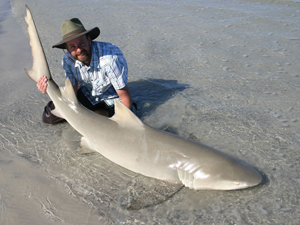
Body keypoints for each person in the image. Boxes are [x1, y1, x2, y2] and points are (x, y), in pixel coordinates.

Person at [37, 18, 134, 124]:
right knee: (49, 117)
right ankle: (96, 113)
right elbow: (72, 91)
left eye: (81, 43)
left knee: (120, 123)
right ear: (67, 48)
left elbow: (125, 98)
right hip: (88, 94)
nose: (78, 50)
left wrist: (124, 124)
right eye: (72, 46)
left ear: (89, 39)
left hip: (112, 99)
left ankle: (100, 113)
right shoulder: (68, 60)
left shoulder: (109, 59)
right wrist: (49, 89)